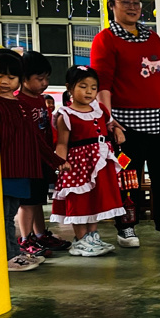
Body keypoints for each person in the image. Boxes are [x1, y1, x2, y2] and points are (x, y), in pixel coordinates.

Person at [90, 0, 160, 248]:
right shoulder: (105, 39)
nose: (133, 7)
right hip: (127, 126)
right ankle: (126, 227)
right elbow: (103, 84)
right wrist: (109, 120)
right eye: (125, 2)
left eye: (136, 3)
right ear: (112, 6)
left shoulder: (152, 37)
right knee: (128, 179)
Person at [0, 49, 68, 273]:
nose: (5, 81)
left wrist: (55, 160)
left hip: (22, 169)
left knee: (10, 215)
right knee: (3, 216)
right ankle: (8, 256)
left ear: (20, 79)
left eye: (11, 77)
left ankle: (13, 254)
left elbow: (37, 139)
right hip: (2, 170)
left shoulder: (23, 106)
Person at [51, 66, 126, 256]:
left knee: (96, 199)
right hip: (78, 165)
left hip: (100, 162)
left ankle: (93, 236)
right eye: (83, 86)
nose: (89, 92)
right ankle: (81, 239)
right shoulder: (66, 115)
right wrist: (61, 162)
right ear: (69, 88)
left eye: (93, 88)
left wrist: (117, 130)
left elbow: (110, 124)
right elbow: (62, 143)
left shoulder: (100, 109)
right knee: (79, 199)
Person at [14, 50, 70, 257]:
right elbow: (32, 138)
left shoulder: (39, 100)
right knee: (27, 202)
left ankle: (40, 235)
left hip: (41, 161)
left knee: (38, 200)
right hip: (27, 162)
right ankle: (25, 239)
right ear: (24, 78)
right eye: (40, 78)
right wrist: (54, 159)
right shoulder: (19, 102)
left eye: (47, 78)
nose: (45, 83)